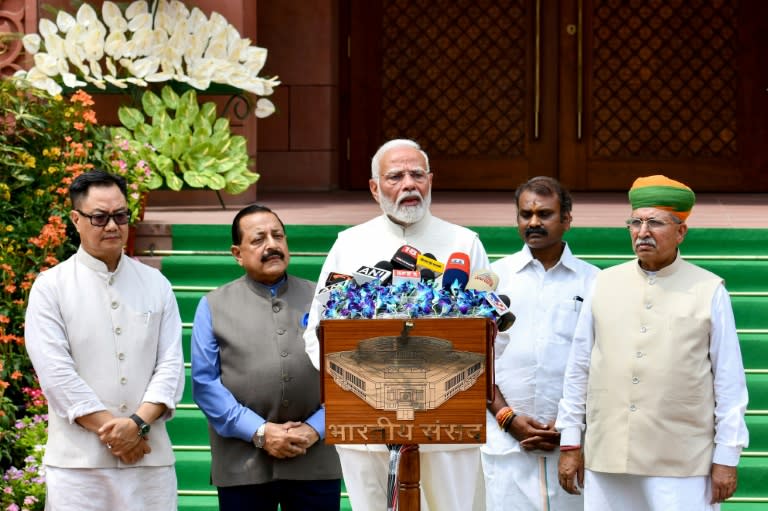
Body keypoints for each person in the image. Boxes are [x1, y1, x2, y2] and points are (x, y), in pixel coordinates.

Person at [304, 138, 490, 511]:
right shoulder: (349, 244)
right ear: (375, 188)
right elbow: (317, 333)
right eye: (396, 176)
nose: (409, 184)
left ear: (430, 181)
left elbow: (489, 330)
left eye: (417, 174)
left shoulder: (464, 244)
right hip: (366, 422)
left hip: (447, 423)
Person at [556, 175, 750, 510]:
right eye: (636, 222)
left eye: (655, 223)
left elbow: (729, 381)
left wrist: (727, 455)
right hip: (609, 454)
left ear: (681, 231)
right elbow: (579, 367)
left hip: (682, 459)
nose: (642, 232)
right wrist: (571, 442)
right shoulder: (603, 283)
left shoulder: (709, 289)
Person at [25, 170, 185, 510]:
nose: (112, 226)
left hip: (150, 461)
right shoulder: (51, 287)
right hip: (78, 468)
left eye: (120, 216)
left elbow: (170, 366)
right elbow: (57, 376)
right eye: (99, 217)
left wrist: (138, 425)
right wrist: (120, 435)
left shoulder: (156, 284)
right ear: (76, 219)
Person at [191, 204, 342, 510]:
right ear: (237, 253)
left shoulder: (323, 299)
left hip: (314, 456)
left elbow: (347, 374)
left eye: (278, 236)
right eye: (258, 239)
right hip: (242, 462)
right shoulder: (213, 305)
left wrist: (314, 429)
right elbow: (205, 384)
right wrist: (260, 433)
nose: (272, 245)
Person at [481, 176, 599, 510]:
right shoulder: (491, 279)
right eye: (525, 214)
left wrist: (571, 427)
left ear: (567, 220)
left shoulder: (595, 281)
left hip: (573, 443)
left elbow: (602, 362)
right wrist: (507, 417)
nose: (533, 222)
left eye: (544, 214)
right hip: (505, 440)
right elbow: (475, 357)